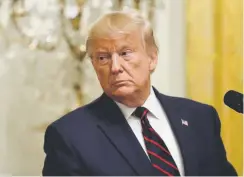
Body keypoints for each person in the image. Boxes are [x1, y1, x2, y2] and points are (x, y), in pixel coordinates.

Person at [42, 9, 237, 176]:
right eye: (103, 58)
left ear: (152, 58)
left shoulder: (200, 118)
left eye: (125, 53)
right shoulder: (70, 135)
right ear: (94, 66)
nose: (115, 67)